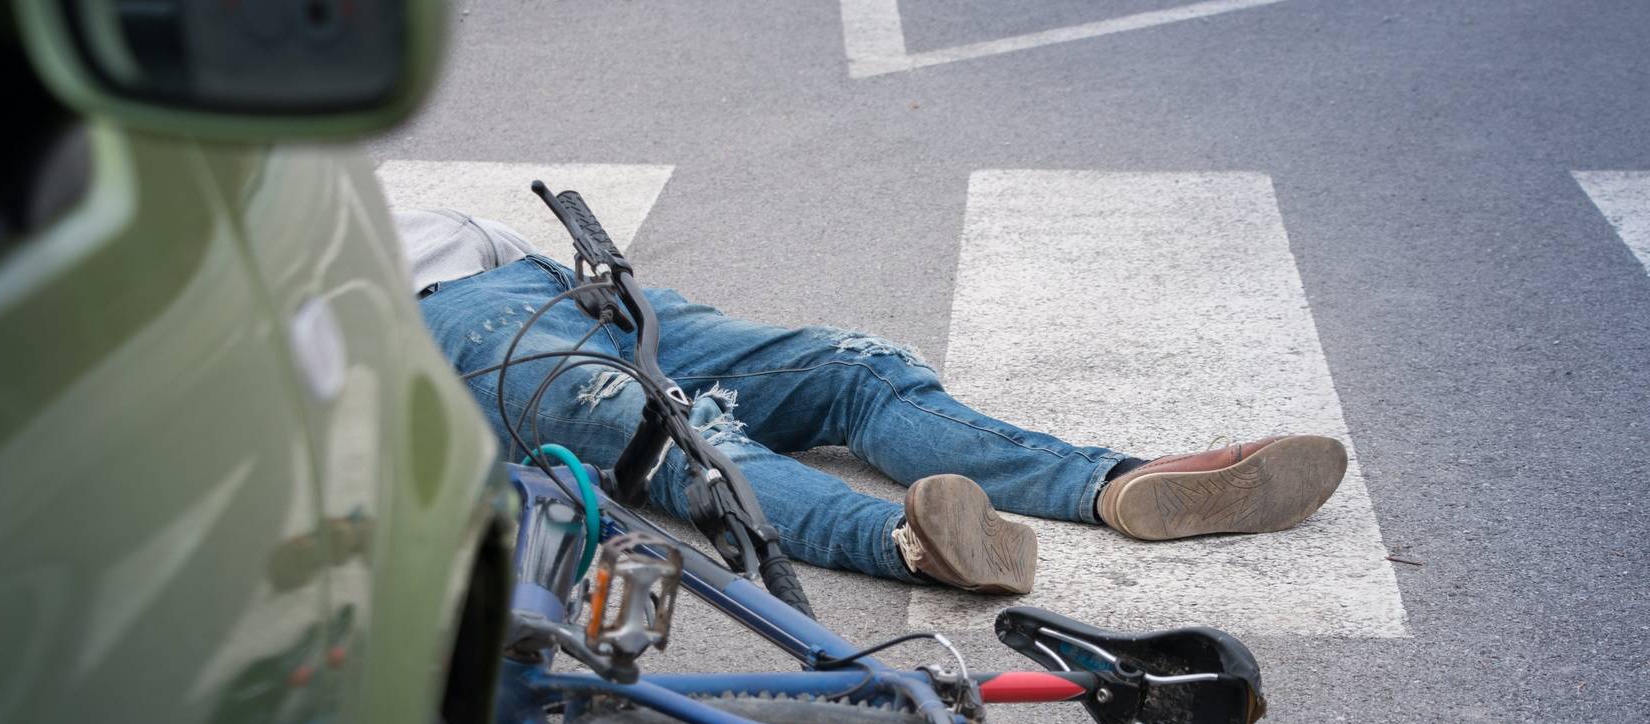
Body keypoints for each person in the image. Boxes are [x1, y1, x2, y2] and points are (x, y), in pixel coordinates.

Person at [398, 208, 1349, 595]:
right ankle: (912, 544)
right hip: (448, 327)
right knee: (684, 434)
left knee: (852, 365)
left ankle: (1115, 483)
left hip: (565, 283)